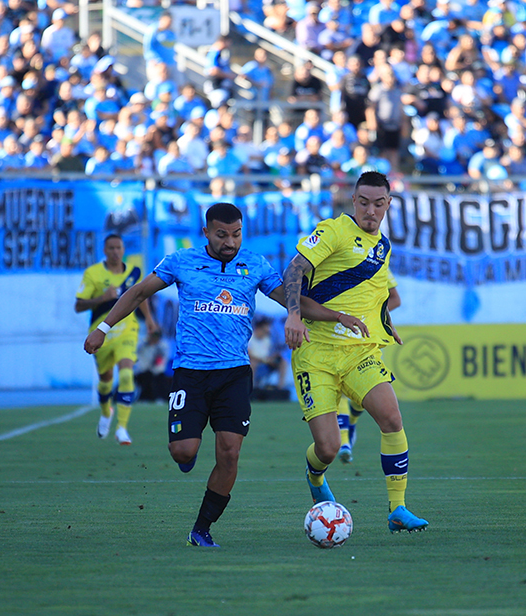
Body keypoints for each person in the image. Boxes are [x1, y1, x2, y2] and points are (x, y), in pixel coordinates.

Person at [83, 203, 346, 548]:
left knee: (230, 453)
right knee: (182, 451)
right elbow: (138, 292)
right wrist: (103, 327)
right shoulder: (182, 261)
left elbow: (293, 300)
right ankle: (186, 454)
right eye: (222, 235)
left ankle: (202, 529)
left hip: (235, 374)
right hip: (190, 373)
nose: (230, 242)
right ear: (206, 232)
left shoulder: (255, 265)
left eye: (236, 234)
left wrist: (337, 315)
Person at [283, 171, 429, 534]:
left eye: (379, 203)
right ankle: (315, 477)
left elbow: (379, 294)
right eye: (363, 202)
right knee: (329, 448)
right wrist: (293, 315)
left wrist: (384, 322)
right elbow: (294, 271)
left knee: (392, 418)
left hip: (358, 353)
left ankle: (398, 508)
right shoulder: (333, 231)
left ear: (389, 204)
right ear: (353, 201)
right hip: (316, 352)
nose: (370, 210)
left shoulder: (382, 247)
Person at [75, 234, 159, 445]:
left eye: (118, 248)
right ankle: (106, 413)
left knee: (126, 374)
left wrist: (149, 319)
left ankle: (122, 428)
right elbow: (79, 305)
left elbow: (140, 296)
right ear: (104, 250)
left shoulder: (133, 273)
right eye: (110, 248)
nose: (115, 251)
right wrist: (102, 298)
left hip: (127, 331)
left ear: (123, 250)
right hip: (101, 333)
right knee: (106, 381)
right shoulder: (93, 274)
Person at [337, 270, 401, 463]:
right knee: (337, 388)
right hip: (333, 335)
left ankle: (353, 420)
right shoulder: (325, 257)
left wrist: (369, 315)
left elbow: (395, 299)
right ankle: (344, 442)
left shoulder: (374, 259)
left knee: (366, 390)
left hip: (366, 338)